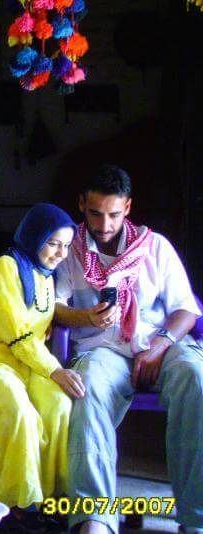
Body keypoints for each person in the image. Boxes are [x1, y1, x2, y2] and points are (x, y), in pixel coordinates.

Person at [54, 165, 203, 534]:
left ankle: (196, 518)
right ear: (81, 206)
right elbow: (53, 307)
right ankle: (95, 518)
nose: (104, 224)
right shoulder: (67, 247)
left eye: (114, 214)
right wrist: (85, 316)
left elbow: (186, 308)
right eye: (95, 213)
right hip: (103, 349)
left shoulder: (154, 246)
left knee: (198, 379)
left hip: (160, 344)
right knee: (84, 391)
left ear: (128, 207)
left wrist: (160, 345)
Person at [0, 203, 82, 531]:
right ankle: (15, 503)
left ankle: (51, 497)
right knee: (18, 413)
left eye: (66, 246)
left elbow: (38, 329)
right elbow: (17, 333)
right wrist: (55, 369)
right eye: (53, 243)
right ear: (34, 236)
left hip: (25, 360)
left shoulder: (46, 277)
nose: (60, 253)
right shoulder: (6, 268)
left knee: (58, 405)